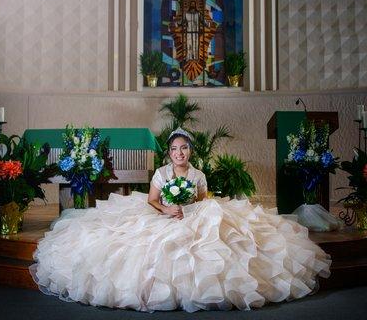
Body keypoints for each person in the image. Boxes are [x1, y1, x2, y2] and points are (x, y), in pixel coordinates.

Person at [30, 128, 331, 313]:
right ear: (169, 153)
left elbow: (203, 201)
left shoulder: (198, 174)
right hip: (164, 214)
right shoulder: (161, 173)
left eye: (183, 148)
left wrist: (189, 207)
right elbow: (151, 200)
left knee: (216, 234)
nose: (179, 153)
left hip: (193, 214)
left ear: (190, 150)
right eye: (174, 149)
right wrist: (166, 209)